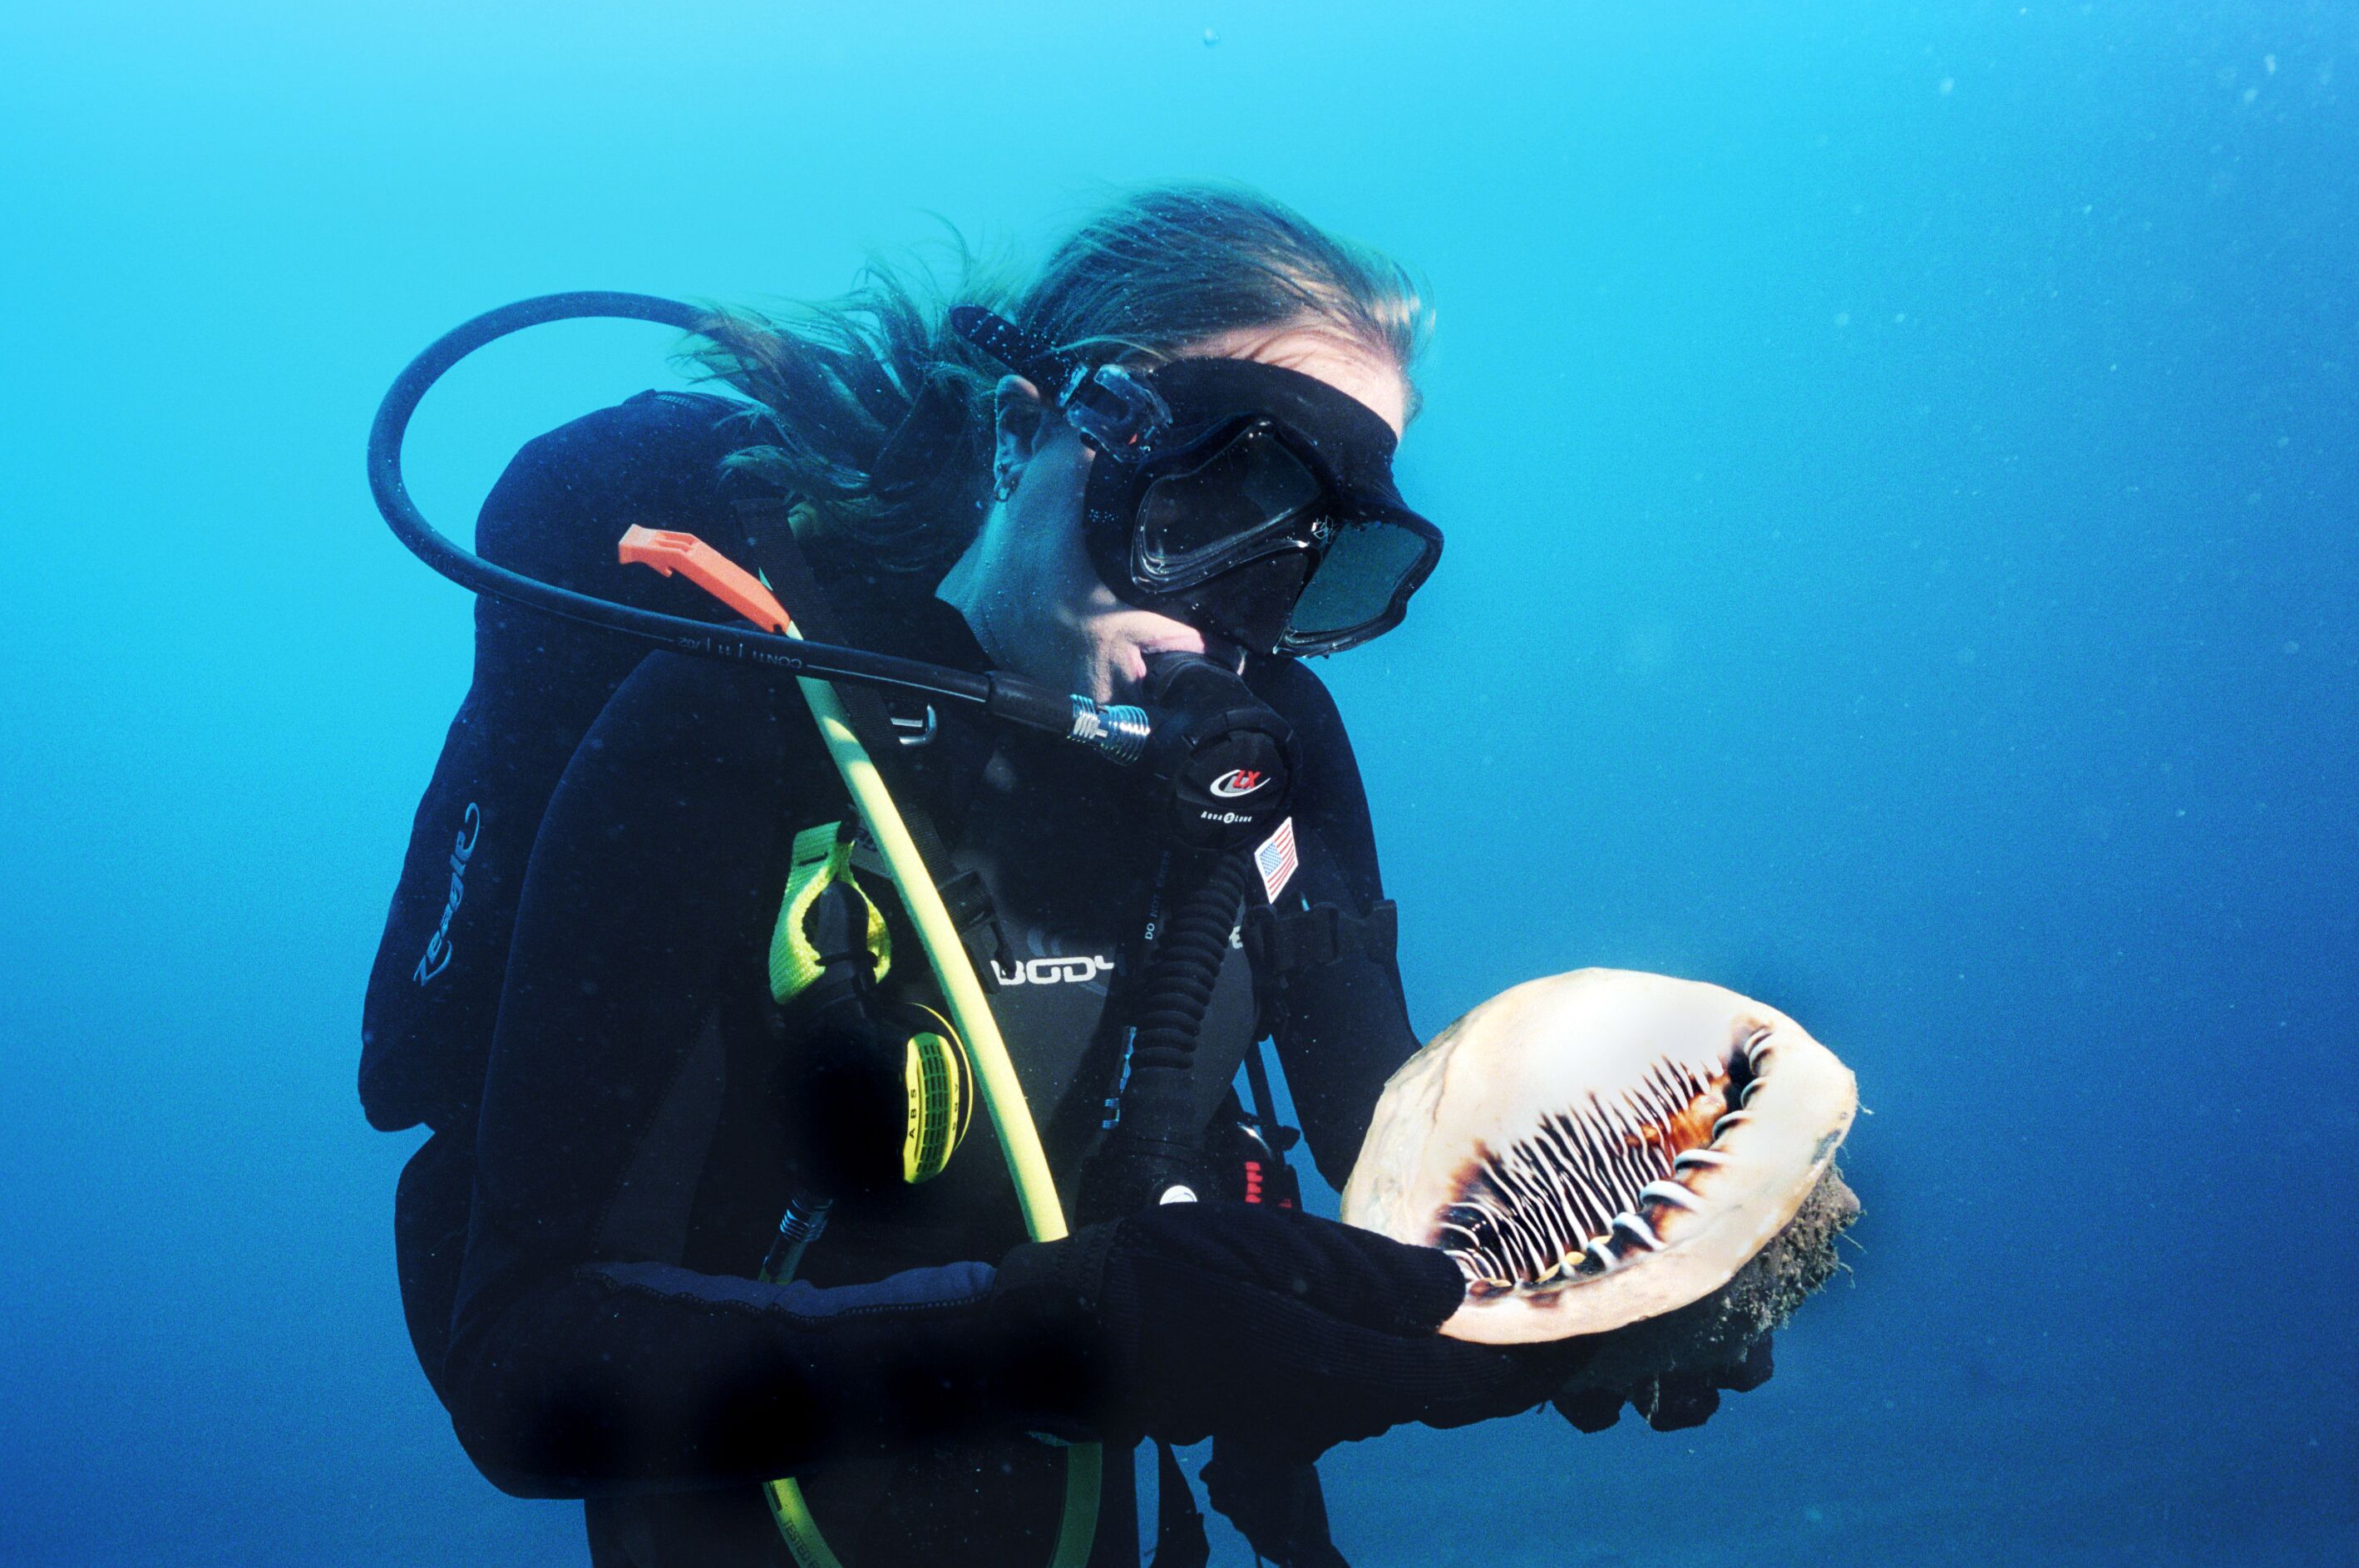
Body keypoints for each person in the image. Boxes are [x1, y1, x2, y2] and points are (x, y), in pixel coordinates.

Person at [363, 185, 1742, 1568]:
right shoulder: (732, 729)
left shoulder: (1275, 756)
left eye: (1317, 567)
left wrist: (1616, 1281)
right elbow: (524, 1369)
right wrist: (1065, 1338)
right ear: (1030, 430)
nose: (1230, 617)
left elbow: (1398, 1161)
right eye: (1216, 501)